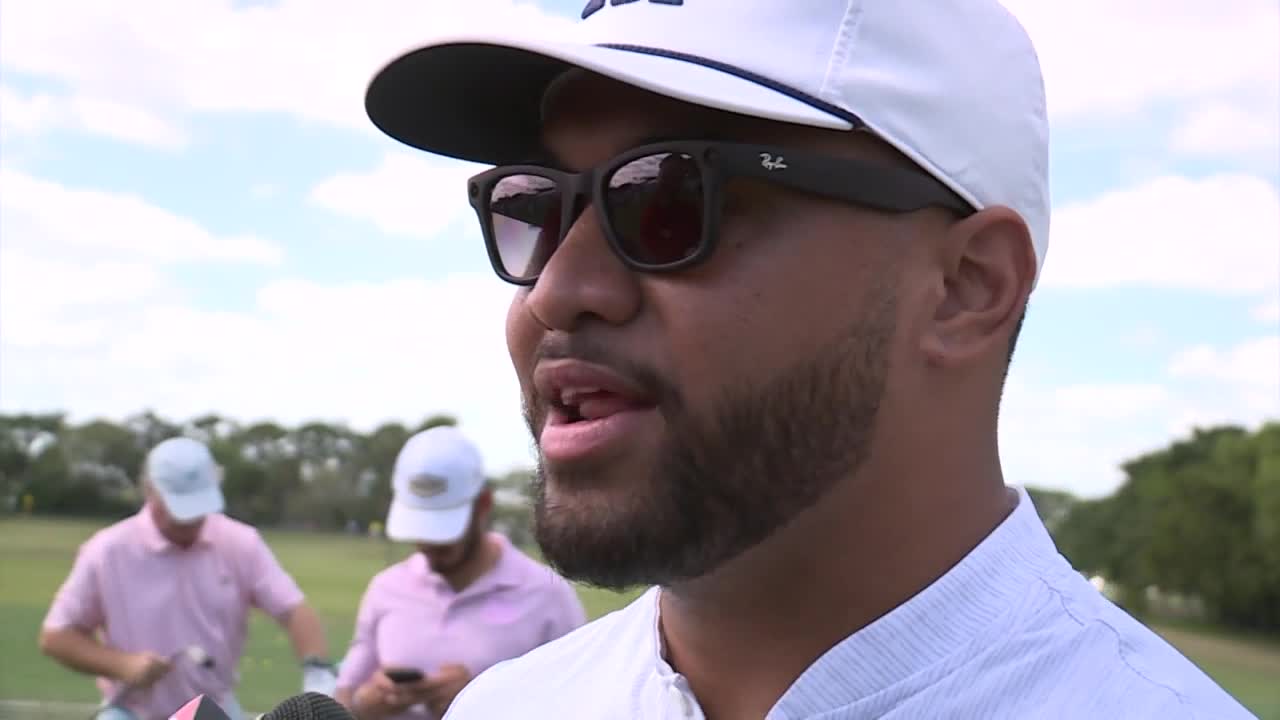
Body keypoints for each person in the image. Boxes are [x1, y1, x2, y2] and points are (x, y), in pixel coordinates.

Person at [357, 1, 1261, 718]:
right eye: (535, 206)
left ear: (966, 287)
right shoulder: (516, 706)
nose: (556, 291)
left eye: (671, 197)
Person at [39, 437, 337, 720]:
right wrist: (122, 665)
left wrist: (317, 673)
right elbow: (56, 636)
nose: (191, 520)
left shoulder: (240, 543)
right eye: (179, 508)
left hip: (215, 709)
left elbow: (293, 610)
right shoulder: (108, 550)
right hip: (133, 711)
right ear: (150, 491)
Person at [333, 426, 586, 720]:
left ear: (483, 505)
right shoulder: (385, 588)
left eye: (443, 528)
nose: (429, 542)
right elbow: (344, 696)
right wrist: (364, 706)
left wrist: (478, 702)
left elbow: (580, 703)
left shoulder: (548, 594)